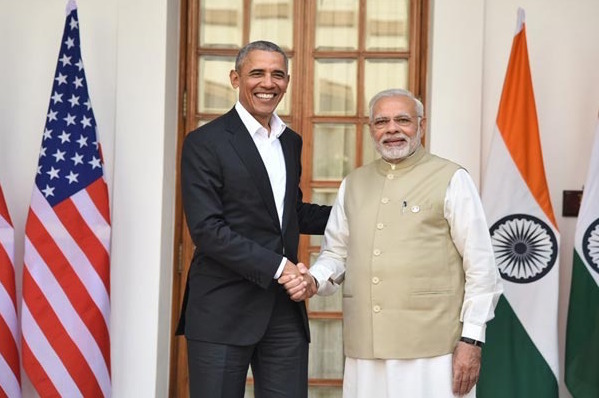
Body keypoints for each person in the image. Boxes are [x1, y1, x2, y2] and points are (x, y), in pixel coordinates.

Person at [281, 88, 503, 397]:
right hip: (365, 349)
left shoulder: (452, 178)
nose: (392, 129)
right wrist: (314, 280)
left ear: (421, 126)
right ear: (371, 129)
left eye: (403, 120)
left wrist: (472, 340)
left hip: (433, 350)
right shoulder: (353, 183)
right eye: (381, 122)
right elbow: (336, 253)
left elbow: (482, 268)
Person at [176, 40, 331, 397]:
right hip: (221, 310)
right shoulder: (205, 142)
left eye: (277, 75)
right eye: (257, 73)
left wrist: (359, 212)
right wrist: (282, 268)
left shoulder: (290, 142)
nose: (268, 83)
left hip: (283, 313)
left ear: (288, 82)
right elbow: (208, 230)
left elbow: (289, 213)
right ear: (235, 78)